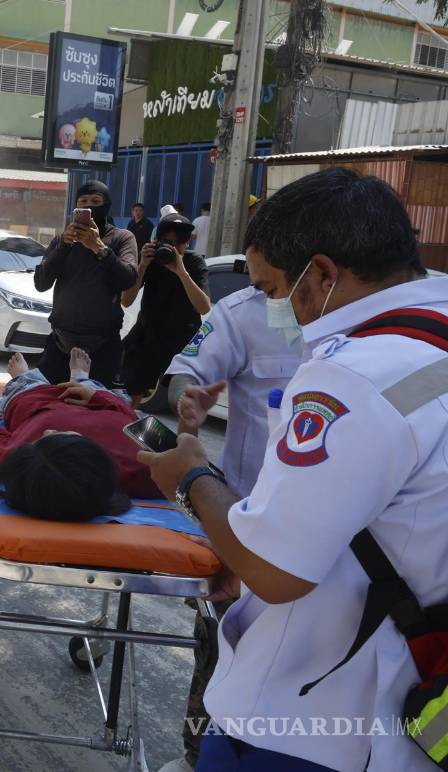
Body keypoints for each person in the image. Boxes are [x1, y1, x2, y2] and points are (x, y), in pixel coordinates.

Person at [138, 167, 446, 771]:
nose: (275, 306)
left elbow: (280, 571)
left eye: (277, 289)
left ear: (323, 274)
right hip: (411, 707)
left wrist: (191, 480)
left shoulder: (352, 374)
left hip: (312, 721)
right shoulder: (431, 340)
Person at [158, 274, 301, 772]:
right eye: (258, 280)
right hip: (245, 518)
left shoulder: (375, 327)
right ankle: (196, 754)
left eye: (272, 278)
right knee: (222, 649)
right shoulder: (240, 313)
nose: (267, 291)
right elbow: (184, 371)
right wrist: (186, 398)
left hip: (344, 536)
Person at [0, 350, 161, 521]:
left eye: (41, 440)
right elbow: (134, 417)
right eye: (59, 436)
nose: (48, 431)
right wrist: (97, 398)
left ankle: (24, 376)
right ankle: (82, 379)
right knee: (107, 395)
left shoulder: (27, 463)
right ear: (88, 453)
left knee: (23, 391)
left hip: (38, 405)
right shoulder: (150, 467)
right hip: (99, 405)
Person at [33, 180, 138, 385]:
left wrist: (98, 248)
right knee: (47, 406)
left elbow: (128, 279)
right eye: (83, 202)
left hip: (103, 348)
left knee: (97, 412)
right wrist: (63, 246)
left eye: (96, 201)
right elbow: (41, 283)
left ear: (106, 205)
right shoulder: (61, 240)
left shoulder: (122, 238)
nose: (89, 206)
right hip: (60, 344)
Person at [120, 211, 211, 404]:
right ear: (157, 241)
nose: (172, 248)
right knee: (131, 393)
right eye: (167, 242)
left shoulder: (194, 262)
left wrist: (181, 271)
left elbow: (204, 307)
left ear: (187, 243)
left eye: (178, 243)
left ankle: (185, 436)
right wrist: (143, 265)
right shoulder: (151, 260)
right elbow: (126, 300)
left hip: (182, 339)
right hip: (148, 335)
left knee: (186, 403)